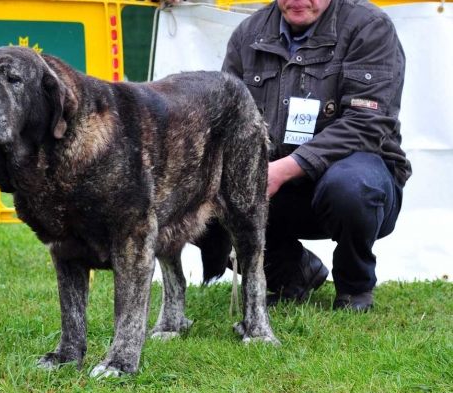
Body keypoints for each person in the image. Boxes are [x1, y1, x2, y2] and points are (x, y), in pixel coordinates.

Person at [168, 0, 411, 311]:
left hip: (355, 180)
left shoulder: (370, 27)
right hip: (275, 187)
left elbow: (367, 123)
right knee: (188, 195)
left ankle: (354, 287)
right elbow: (225, 121)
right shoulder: (248, 34)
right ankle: (290, 273)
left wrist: (285, 169)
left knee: (350, 187)